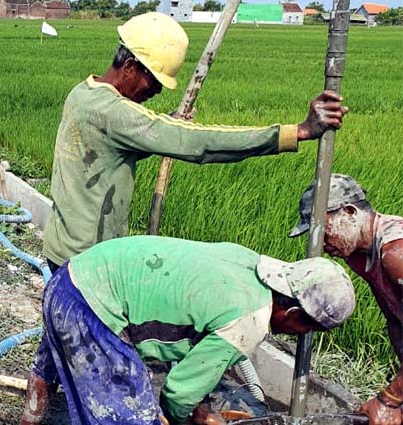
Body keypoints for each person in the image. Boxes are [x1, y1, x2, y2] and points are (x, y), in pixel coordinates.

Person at [43, 12, 349, 272]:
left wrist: (163, 127)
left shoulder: (83, 93)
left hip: (61, 248)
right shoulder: (115, 112)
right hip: (88, 263)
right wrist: (295, 131)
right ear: (130, 68)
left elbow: (111, 152)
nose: (157, 92)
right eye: (154, 81)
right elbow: (199, 142)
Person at [20, 235, 356, 425]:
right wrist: (182, 419)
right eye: (305, 328)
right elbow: (178, 393)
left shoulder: (250, 262)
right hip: (94, 313)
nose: (299, 335)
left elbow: (191, 325)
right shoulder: (251, 319)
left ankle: (29, 419)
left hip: (71, 278)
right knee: (127, 419)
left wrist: (203, 410)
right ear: (294, 311)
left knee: (47, 370)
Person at [288, 174, 403, 425]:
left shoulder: (395, 252)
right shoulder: (358, 256)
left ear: (349, 212)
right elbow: (396, 320)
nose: (322, 244)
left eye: (324, 231)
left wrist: (390, 399)